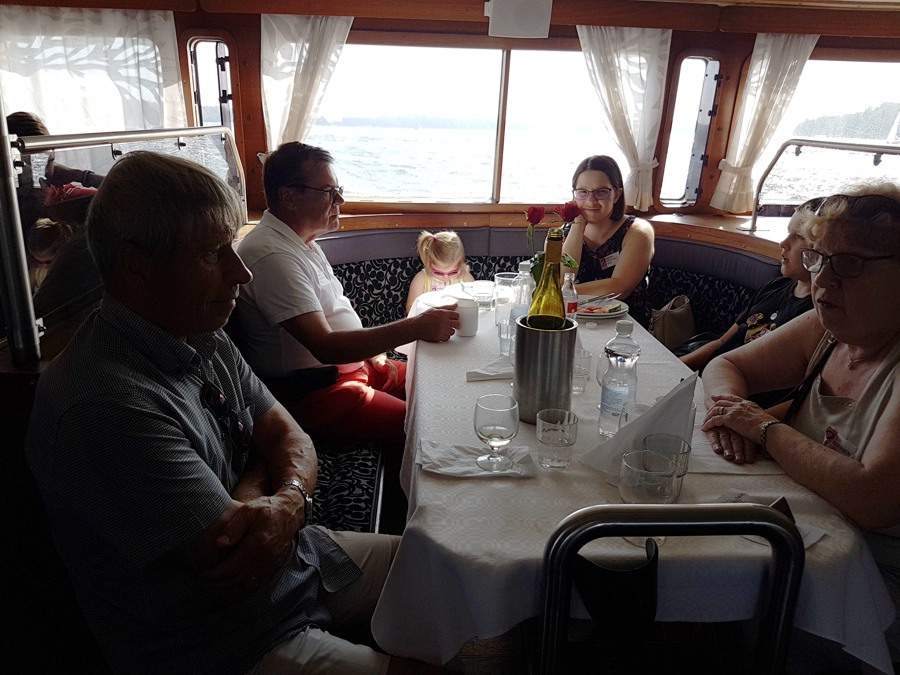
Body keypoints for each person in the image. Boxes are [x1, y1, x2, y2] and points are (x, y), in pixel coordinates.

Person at [25, 151, 443, 675]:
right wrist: (270, 470)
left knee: (454, 572)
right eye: (211, 254)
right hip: (226, 638)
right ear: (136, 267)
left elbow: (289, 433)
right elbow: (236, 549)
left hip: (301, 558)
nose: (240, 272)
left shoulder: (199, 331)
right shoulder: (103, 406)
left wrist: (286, 498)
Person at [700, 180, 900, 663]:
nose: (823, 281)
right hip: (798, 541)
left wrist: (764, 428)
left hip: (871, 585)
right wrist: (730, 412)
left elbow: (872, 500)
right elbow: (727, 365)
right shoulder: (829, 329)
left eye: (849, 264)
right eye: (819, 259)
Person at [235, 142, 459, 447]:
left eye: (337, 190)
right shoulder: (271, 255)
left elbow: (335, 319)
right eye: (329, 192)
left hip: (353, 369)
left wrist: (373, 354)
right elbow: (325, 347)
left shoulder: (301, 242)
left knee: (444, 384)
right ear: (289, 197)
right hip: (318, 394)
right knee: (429, 428)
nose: (340, 199)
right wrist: (417, 327)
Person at [678, 197, 820, 375]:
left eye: (799, 237)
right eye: (788, 233)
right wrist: (675, 367)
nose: (783, 243)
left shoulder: (817, 313)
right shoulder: (775, 287)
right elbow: (722, 342)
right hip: (715, 370)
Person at [561, 155, 655, 327]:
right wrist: (577, 226)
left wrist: (562, 293)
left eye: (601, 192)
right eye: (582, 192)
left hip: (625, 327)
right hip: (573, 321)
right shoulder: (565, 233)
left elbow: (619, 287)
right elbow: (563, 277)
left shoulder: (637, 232)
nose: (591, 201)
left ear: (617, 194)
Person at [405, 230, 475, 314]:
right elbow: (410, 308)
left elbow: (475, 304)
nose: (446, 278)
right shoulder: (421, 279)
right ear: (430, 263)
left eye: (453, 272)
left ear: (460, 264)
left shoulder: (465, 277)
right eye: (438, 273)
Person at [26, 217, 74, 292]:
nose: (44, 267)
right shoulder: (37, 269)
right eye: (37, 261)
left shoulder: (69, 274)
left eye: (49, 262)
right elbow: (26, 289)